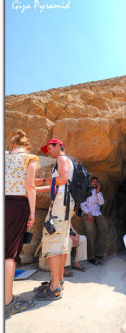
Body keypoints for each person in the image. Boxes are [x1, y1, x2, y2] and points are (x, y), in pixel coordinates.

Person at [34, 138, 75, 300]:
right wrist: (35, 187)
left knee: (52, 239)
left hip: (60, 204)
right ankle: (58, 280)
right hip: (64, 203)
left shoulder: (62, 159)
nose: (48, 151)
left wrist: (40, 181)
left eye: (49, 148)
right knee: (61, 241)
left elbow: (63, 179)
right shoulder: (66, 161)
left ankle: (55, 287)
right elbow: (58, 185)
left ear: (58, 146)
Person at [5, 130, 38, 318]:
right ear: (27, 146)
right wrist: (32, 212)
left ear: (12, 145)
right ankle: (8, 302)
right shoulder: (29, 158)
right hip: (17, 204)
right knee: (9, 254)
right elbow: (30, 186)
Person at [80, 176, 108, 265]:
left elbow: (101, 203)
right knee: (90, 232)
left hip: (97, 213)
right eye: (93, 181)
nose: (94, 183)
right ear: (90, 182)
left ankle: (99, 254)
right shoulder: (85, 191)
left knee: (104, 230)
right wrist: (88, 213)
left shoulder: (98, 192)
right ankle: (91, 256)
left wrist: (98, 192)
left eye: (96, 182)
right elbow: (82, 204)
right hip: (87, 213)